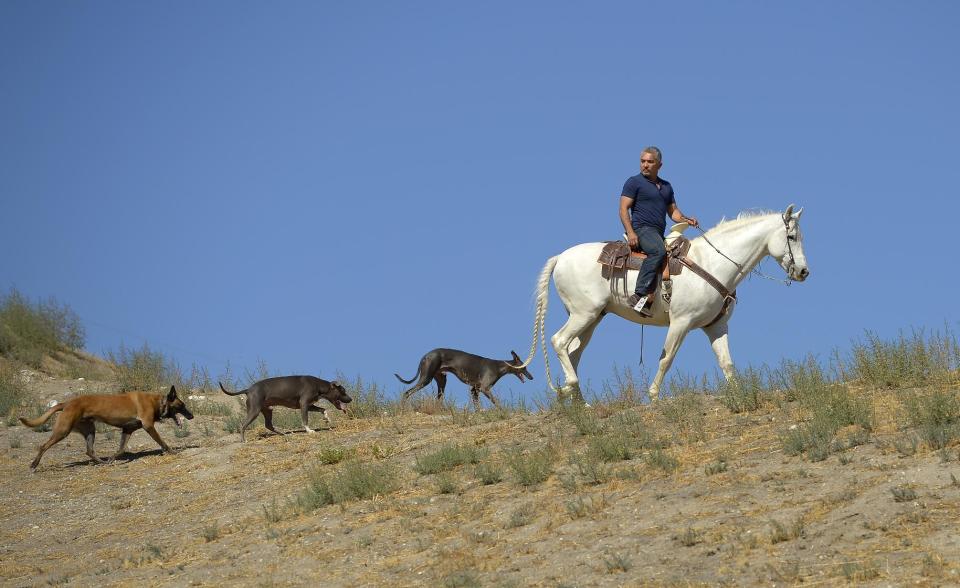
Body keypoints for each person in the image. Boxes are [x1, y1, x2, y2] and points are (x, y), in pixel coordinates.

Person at [618, 146, 699, 317]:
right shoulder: (634, 182)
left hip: (657, 232)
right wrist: (631, 233)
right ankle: (638, 294)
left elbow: (673, 213)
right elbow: (623, 209)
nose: (645, 165)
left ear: (659, 165)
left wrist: (686, 219)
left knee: (677, 255)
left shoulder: (666, 187)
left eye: (650, 162)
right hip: (642, 229)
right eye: (642, 161)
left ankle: (653, 300)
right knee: (658, 251)